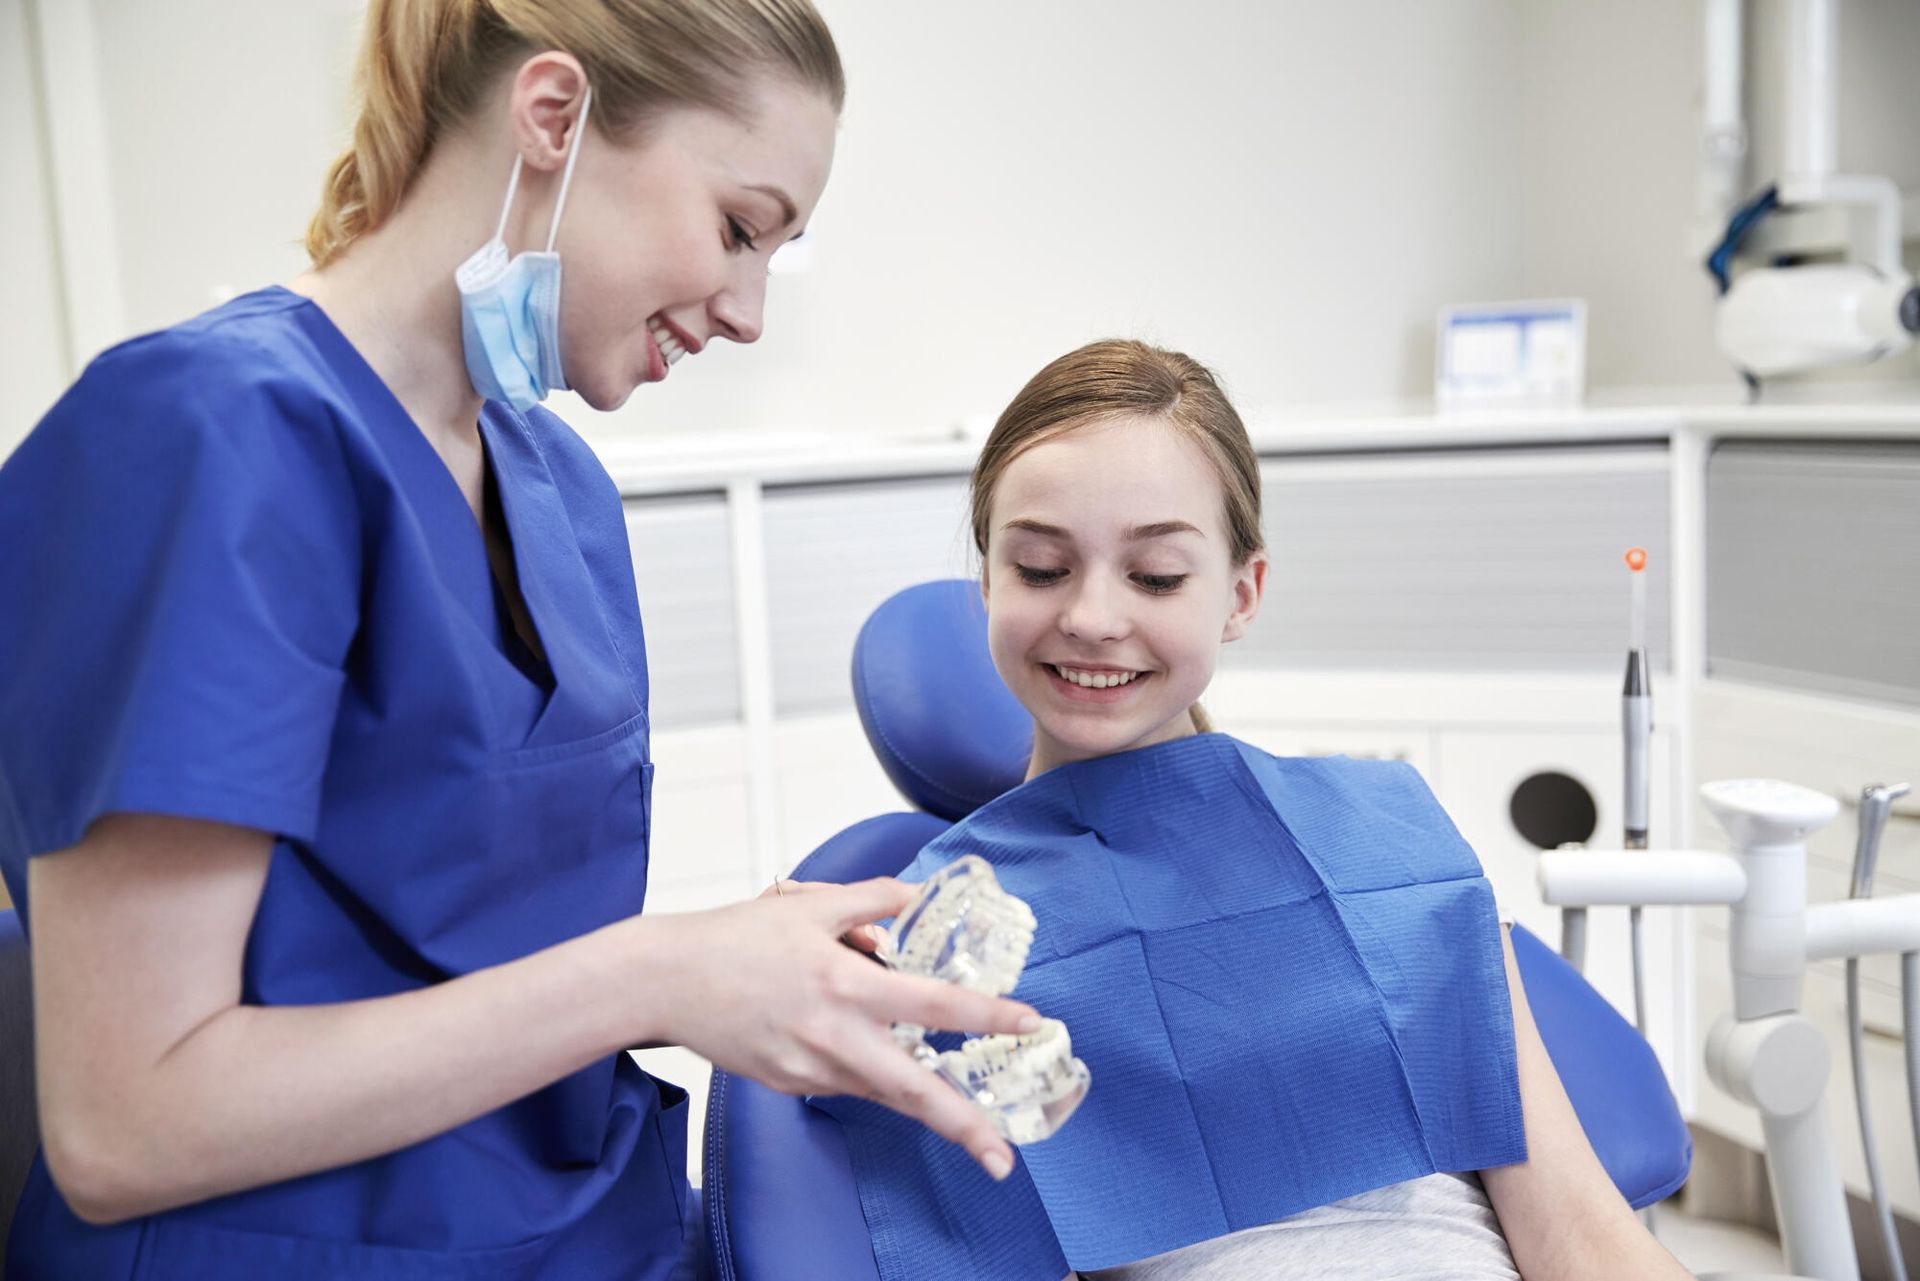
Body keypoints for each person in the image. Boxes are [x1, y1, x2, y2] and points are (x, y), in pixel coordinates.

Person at [0, 3, 1041, 1277]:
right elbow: (126, 1125)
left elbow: (474, 947)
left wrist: (751, 962)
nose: (751, 311)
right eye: (738, 228)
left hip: (588, 1228)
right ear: (553, 118)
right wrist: (662, 975)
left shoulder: (560, 491)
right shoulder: (210, 437)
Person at [823, 339, 1694, 1281]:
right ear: (986, 580)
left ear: (1242, 593)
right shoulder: (929, 949)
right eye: (1040, 567)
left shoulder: (1385, 848)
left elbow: (1581, 1236)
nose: (1092, 617)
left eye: (1156, 575)